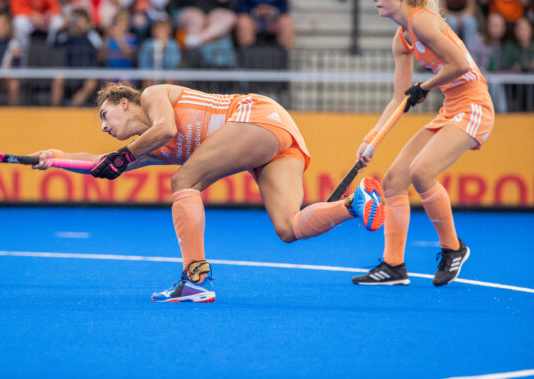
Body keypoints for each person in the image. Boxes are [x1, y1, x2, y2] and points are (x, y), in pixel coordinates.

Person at [30, 83, 386, 302]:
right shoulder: (149, 148)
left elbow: (165, 129)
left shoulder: (153, 97)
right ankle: (355, 204)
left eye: (105, 115)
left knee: (183, 181)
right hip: (277, 138)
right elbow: (102, 163)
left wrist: (124, 156)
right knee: (288, 227)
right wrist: (55, 158)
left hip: (256, 117)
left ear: (124, 102)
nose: (104, 127)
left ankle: (195, 279)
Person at [352, 0, 495, 287]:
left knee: (421, 172)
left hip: (474, 105)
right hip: (451, 107)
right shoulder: (401, 39)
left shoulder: (423, 21)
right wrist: (371, 139)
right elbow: (399, 99)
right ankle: (393, 266)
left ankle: (453, 248)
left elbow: (460, 65)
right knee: (394, 181)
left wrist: (425, 87)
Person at [51, 8, 102, 106]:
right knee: (58, 78)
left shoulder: (91, 35)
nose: (77, 22)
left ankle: (71, 108)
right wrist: (62, 27)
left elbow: (100, 47)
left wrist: (86, 31)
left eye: (80, 19)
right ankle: (54, 110)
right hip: (70, 72)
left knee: (91, 83)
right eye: (75, 19)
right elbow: (54, 43)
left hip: (87, 73)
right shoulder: (67, 35)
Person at [137, 18, 181, 87]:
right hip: (151, 71)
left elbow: (174, 64)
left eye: (162, 29)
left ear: (168, 31)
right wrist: (148, 73)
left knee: (169, 78)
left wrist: (165, 49)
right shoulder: (147, 44)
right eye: (157, 29)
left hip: (167, 72)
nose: (159, 32)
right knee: (148, 79)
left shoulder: (173, 45)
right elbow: (143, 62)